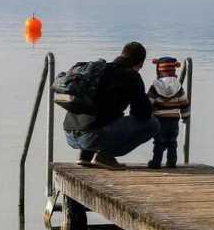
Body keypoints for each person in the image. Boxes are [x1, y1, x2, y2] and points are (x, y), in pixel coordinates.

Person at [64, 42, 160, 170]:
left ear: (121, 54)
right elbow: (143, 113)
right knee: (152, 124)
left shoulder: (99, 70)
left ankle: (85, 156)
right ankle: (104, 156)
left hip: (70, 134)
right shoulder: (131, 76)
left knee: (103, 119)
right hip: (91, 137)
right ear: (140, 64)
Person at [147, 57, 190, 169]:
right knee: (172, 141)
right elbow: (184, 102)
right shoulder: (178, 86)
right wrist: (185, 116)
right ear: (174, 70)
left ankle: (156, 162)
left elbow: (149, 102)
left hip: (159, 119)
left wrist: (148, 115)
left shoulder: (155, 86)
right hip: (174, 119)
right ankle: (171, 162)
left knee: (159, 142)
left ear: (159, 70)